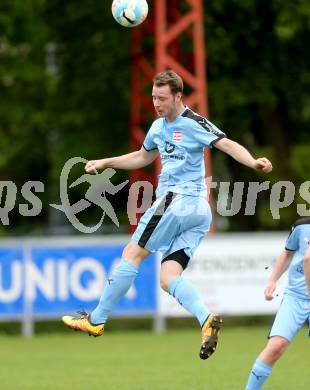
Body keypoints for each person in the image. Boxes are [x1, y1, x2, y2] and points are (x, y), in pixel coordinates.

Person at [62, 70, 272, 359]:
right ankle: (206, 318)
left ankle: (96, 320)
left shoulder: (194, 123)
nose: (157, 103)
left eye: (162, 98)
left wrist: (253, 161)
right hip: (198, 210)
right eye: (153, 98)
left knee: (132, 254)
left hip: (177, 202)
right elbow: (143, 156)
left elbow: (226, 143)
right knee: (168, 276)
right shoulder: (158, 127)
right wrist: (105, 162)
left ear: (178, 96)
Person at [245, 218, 310, 389]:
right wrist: (273, 280)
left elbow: (308, 259)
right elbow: (288, 252)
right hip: (295, 297)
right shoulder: (301, 226)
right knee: (276, 346)